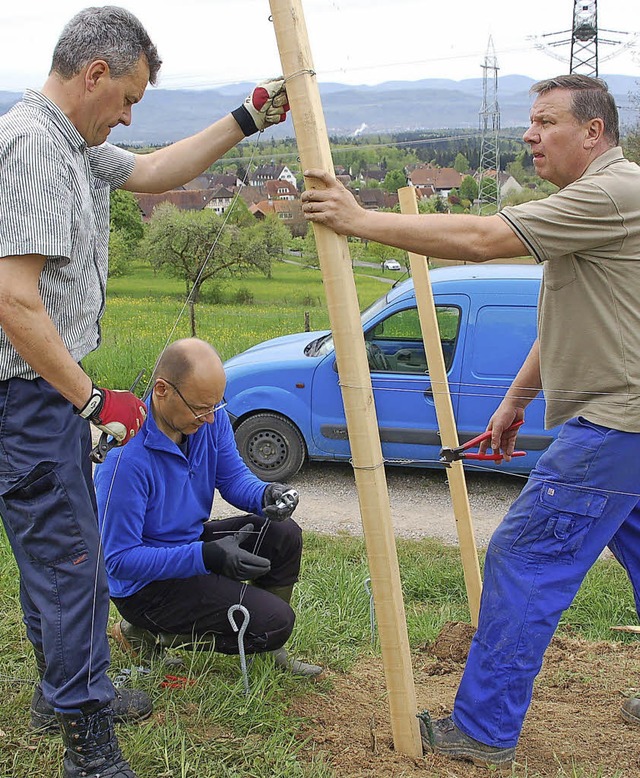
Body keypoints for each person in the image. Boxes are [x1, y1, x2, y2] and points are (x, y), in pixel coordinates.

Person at [301, 74, 640, 766]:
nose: (529, 134)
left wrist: (356, 218)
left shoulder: (614, 192)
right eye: (531, 121)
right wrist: (517, 398)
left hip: (615, 427)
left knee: (526, 557)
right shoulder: (598, 205)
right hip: (628, 425)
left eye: (547, 121)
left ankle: (483, 730)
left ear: (594, 131)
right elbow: (574, 318)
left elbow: (482, 238)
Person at [0, 6, 289, 777]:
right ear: (93, 74)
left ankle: (58, 695)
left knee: (55, 559)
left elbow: (159, 171)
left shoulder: (78, 144)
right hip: (28, 398)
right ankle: (88, 749)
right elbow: (13, 298)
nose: (129, 115)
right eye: (127, 99)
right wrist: (92, 399)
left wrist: (245, 119)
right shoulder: (33, 145)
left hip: (42, 397)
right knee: (72, 569)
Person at [94, 338, 322, 680]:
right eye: (200, 408)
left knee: (282, 534)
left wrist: (266, 494)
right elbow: (118, 561)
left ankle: (270, 648)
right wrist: (205, 557)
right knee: (276, 623)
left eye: (215, 406)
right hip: (145, 588)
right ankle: (143, 632)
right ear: (161, 390)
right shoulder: (125, 459)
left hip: (190, 544)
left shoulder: (205, 422)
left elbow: (232, 478)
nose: (210, 417)